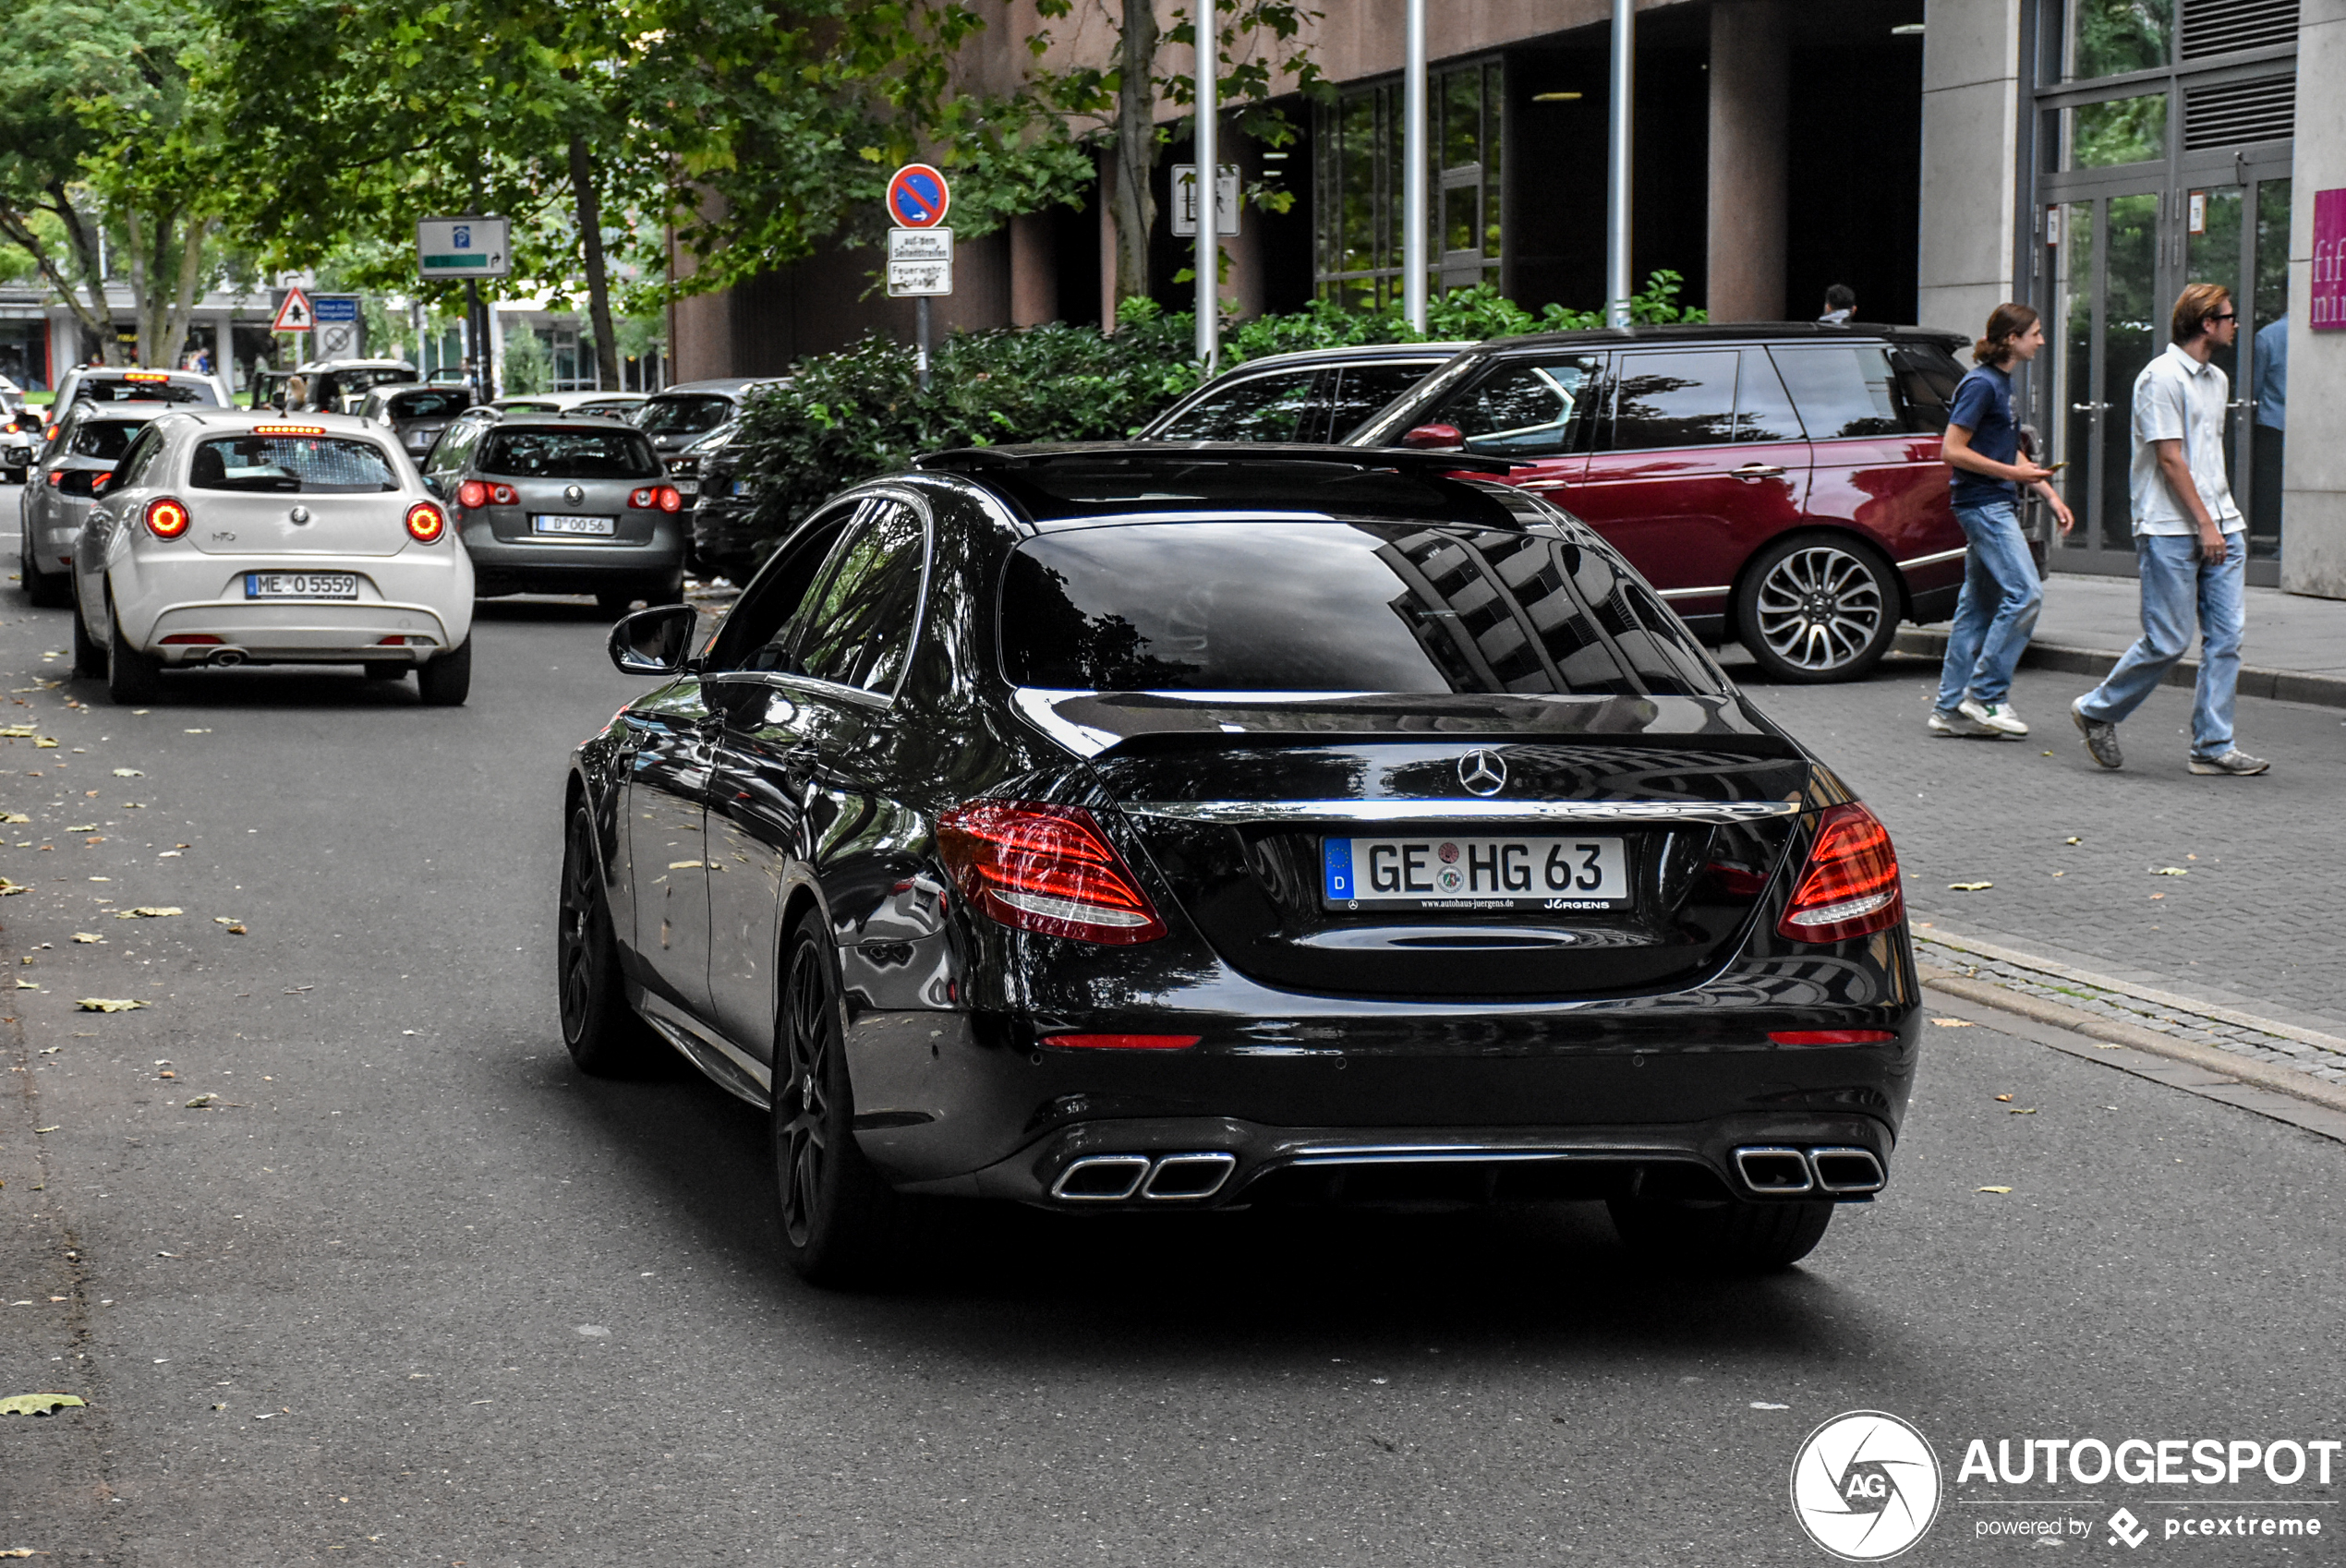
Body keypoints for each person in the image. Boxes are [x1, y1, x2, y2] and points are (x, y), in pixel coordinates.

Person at [2071, 283, 2266, 776]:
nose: (2235, 324)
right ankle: (2097, 710)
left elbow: (2205, 458)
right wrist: (2204, 524)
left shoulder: (2217, 379)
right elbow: (2169, 458)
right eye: (2229, 315)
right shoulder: (2159, 378)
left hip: (2223, 523)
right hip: (2169, 528)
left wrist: (2222, 522)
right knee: (2168, 640)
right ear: (2207, 323)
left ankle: (2213, 745)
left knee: (2227, 639)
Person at [1929, 303, 2075, 738]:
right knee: (2026, 593)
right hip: (1983, 506)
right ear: (2012, 338)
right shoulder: (1980, 384)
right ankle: (1986, 696)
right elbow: (1952, 450)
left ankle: (1949, 709)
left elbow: (2000, 446)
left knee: (1977, 609)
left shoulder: (1999, 383)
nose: (2041, 340)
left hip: (1993, 502)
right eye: (2035, 332)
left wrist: (2046, 491)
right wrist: (2017, 476)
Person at [2251, 312, 2285, 551]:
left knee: (2271, 485)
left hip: (2273, 422)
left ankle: (2270, 538)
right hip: (2304, 424)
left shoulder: (2267, 336)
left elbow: (2254, 384)